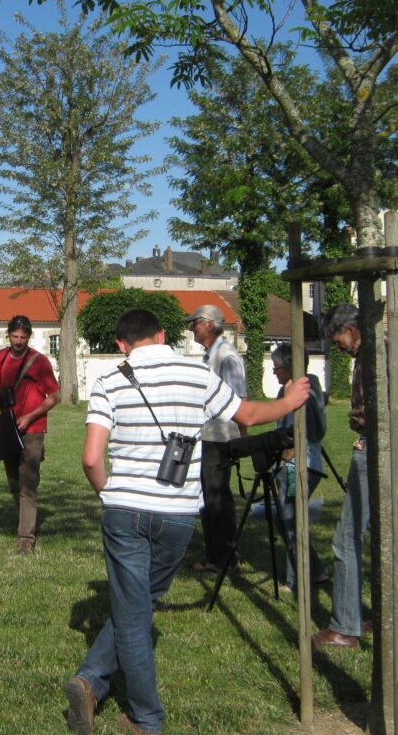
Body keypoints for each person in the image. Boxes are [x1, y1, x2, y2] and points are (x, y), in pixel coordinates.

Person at [65, 309, 310, 735]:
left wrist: (108, 494)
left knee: (133, 609)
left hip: (124, 509)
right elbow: (246, 416)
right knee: (140, 605)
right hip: (177, 512)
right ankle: (105, 692)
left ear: (122, 344)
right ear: (162, 335)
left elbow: (90, 458)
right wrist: (289, 403)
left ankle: (126, 704)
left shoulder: (108, 382)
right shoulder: (196, 373)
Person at [311, 303, 398, 649]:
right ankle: (383, 616)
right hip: (389, 444)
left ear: (353, 331)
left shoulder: (375, 355)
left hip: (376, 447)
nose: (338, 346)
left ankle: (345, 626)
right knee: (380, 534)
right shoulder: (380, 353)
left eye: (338, 339)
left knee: (346, 538)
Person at [0, 315, 59, 553]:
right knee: (14, 483)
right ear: (9, 335)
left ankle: (26, 538)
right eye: (15, 336)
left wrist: (30, 416)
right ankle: (24, 522)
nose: (18, 341)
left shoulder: (39, 362)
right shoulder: (1, 358)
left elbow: (53, 397)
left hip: (32, 430)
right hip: (8, 428)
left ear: (29, 336)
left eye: (23, 337)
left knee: (28, 484)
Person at [186, 304, 247, 575]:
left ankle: (223, 558)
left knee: (217, 498)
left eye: (195, 323)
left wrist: (242, 435)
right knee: (208, 498)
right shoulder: (212, 354)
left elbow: (239, 399)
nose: (191, 329)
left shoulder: (226, 356)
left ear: (209, 324)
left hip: (220, 438)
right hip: (208, 436)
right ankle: (216, 555)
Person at [270, 342, 328, 592]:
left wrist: (284, 458)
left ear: (289, 366)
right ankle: (315, 571)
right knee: (291, 521)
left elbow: (303, 429)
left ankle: (295, 581)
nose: (275, 372)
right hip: (307, 462)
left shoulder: (298, 389)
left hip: (297, 465)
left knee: (290, 522)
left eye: (277, 368)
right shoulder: (309, 383)